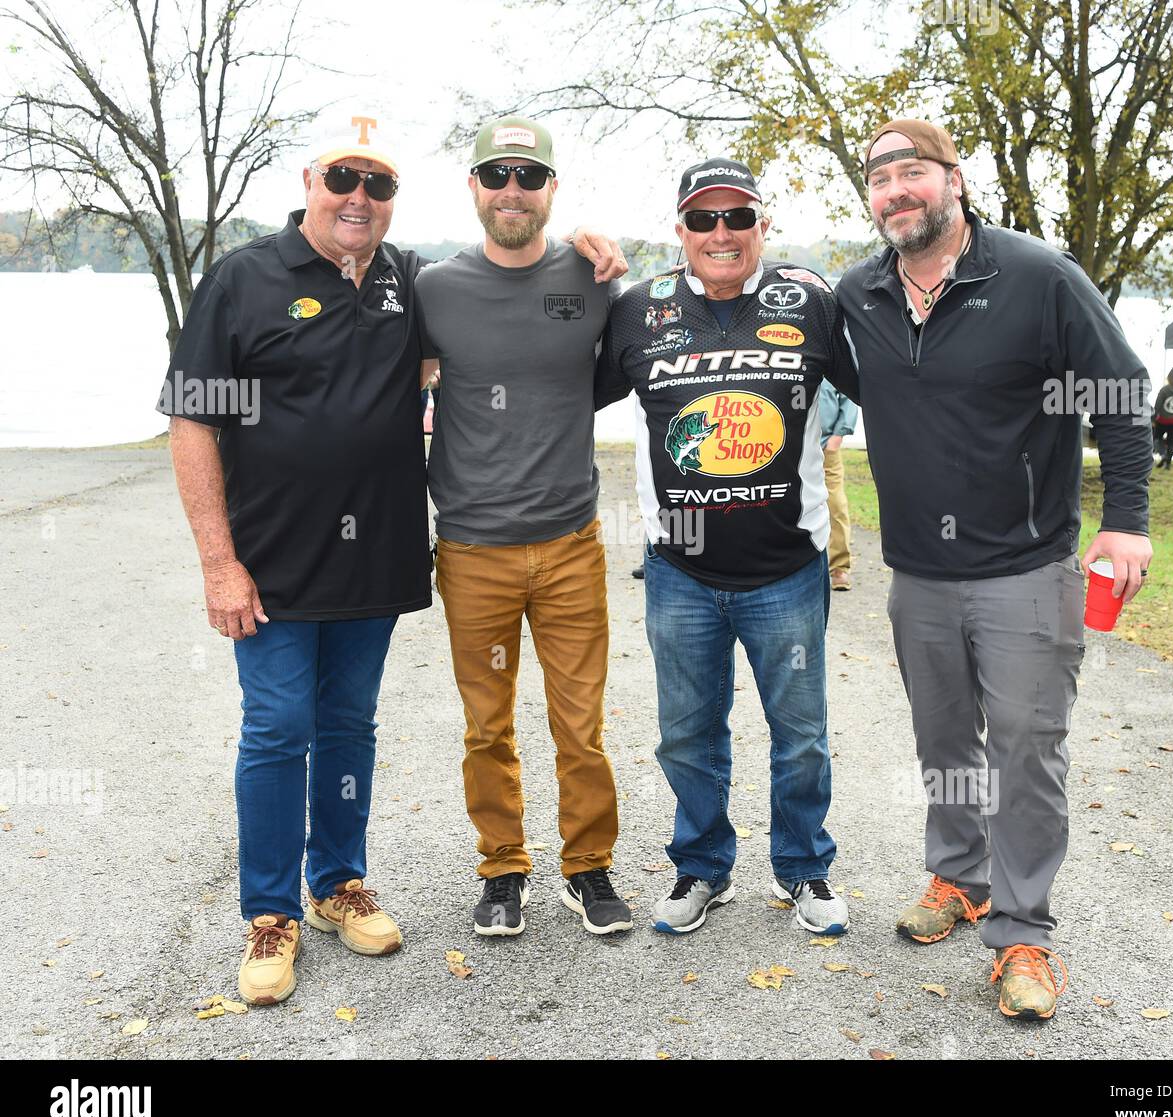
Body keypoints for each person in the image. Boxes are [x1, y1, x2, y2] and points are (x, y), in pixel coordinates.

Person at [161, 113, 628, 1004]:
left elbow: (508, 272)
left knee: (348, 726)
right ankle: (270, 913)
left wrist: (588, 242)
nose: (359, 198)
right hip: (269, 559)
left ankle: (337, 882)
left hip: (374, 554)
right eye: (344, 178)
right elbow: (192, 418)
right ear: (309, 181)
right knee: (275, 727)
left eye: (378, 186)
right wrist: (218, 561)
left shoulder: (406, 280)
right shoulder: (245, 279)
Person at [836, 118, 1153, 1021]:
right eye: (880, 177)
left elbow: (1121, 397)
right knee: (946, 745)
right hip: (919, 575)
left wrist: (1125, 524)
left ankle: (1023, 933)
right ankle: (961, 876)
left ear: (954, 179)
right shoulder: (862, 291)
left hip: (1027, 567)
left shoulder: (1037, 277)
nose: (896, 190)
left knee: (1024, 751)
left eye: (912, 172)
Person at [596, 158, 857, 937]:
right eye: (703, 219)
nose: (721, 233)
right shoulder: (638, 309)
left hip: (786, 569)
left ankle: (805, 868)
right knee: (687, 731)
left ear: (762, 226)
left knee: (801, 735)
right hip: (680, 570)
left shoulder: (810, 300)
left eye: (737, 217)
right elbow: (552, 387)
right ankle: (702, 866)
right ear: (679, 230)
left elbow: (901, 388)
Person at [415, 117, 633, 938]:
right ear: (473, 187)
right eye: (497, 174)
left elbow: (623, 365)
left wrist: (604, 249)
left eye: (529, 176)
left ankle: (589, 867)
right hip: (473, 547)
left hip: (572, 540)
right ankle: (503, 868)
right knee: (488, 722)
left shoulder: (592, 273)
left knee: (581, 720)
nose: (513, 189)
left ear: (551, 188)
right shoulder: (434, 287)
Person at [819, 378, 858, 590]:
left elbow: (849, 398)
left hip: (827, 447)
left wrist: (837, 437)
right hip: (794, 449)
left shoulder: (830, 356)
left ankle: (839, 568)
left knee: (836, 506)